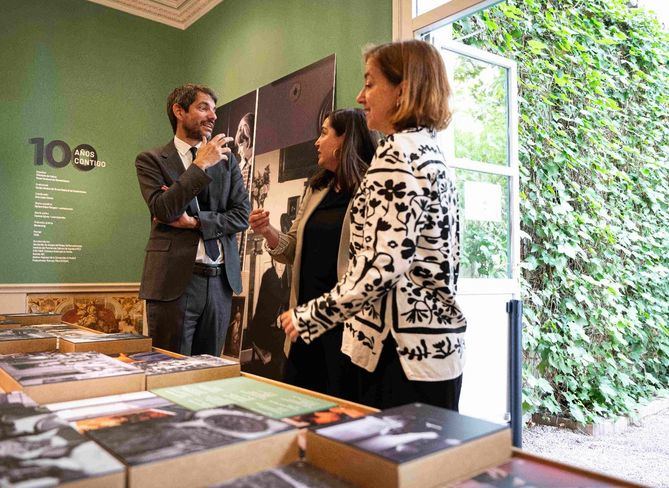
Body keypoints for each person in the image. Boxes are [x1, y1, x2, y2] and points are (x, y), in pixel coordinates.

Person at [279, 40, 467, 410]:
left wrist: (308, 316)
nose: (360, 96)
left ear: (403, 90)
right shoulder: (429, 152)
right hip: (434, 353)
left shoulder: (397, 155)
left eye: (370, 83)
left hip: (398, 356)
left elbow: (383, 264)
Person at [250, 108, 377, 398]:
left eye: (324, 133)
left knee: (339, 416)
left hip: (345, 327)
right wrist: (268, 230)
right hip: (303, 323)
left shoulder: (371, 189)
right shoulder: (316, 188)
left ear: (345, 139)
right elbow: (291, 249)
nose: (316, 142)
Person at [136, 83, 249, 356]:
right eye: (203, 107)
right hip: (173, 286)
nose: (213, 116)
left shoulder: (228, 161)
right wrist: (199, 165)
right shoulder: (151, 160)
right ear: (179, 111)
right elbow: (164, 209)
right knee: (169, 373)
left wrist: (197, 223)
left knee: (208, 378)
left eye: (214, 109)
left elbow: (241, 215)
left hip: (220, 282)